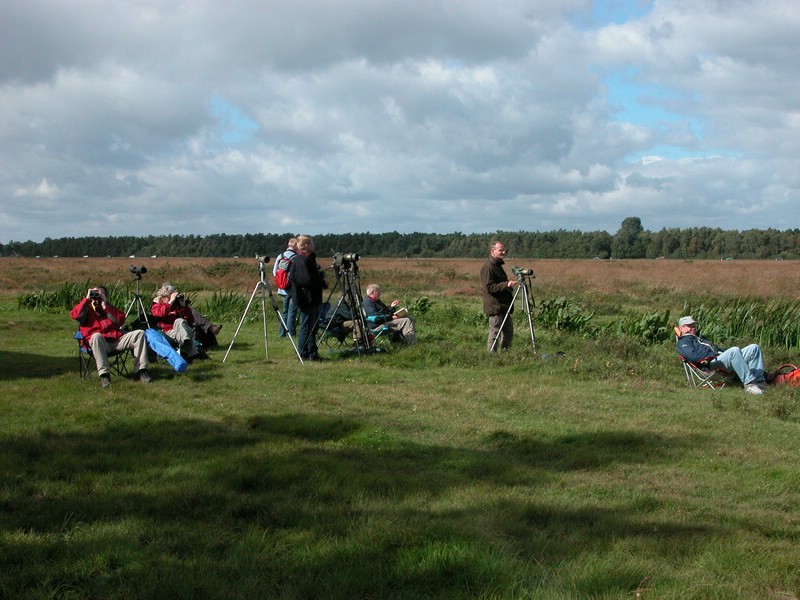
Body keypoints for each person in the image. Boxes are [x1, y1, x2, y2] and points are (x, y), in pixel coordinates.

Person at [70, 286, 151, 388]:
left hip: (116, 340)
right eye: (94, 293)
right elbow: (76, 315)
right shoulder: (86, 309)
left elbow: (120, 320)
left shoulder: (109, 307)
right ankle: (104, 376)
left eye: (100, 294)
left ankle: (141, 371)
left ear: (105, 296)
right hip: (100, 344)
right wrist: (87, 299)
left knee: (139, 333)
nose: (97, 296)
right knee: (96, 336)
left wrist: (106, 306)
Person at [675, 315, 766, 394]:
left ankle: (758, 382)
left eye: (693, 325)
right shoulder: (684, 342)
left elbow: (717, 349)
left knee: (754, 348)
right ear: (681, 328)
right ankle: (749, 385)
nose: (692, 328)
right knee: (734, 351)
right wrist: (712, 354)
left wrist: (724, 352)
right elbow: (693, 356)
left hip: (719, 358)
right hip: (710, 365)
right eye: (688, 326)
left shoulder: (701, 338)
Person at [288, 235, 326, 360]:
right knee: (307, 326)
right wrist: (319, 280)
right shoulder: (301, 260)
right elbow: (306, 280)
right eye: (312, 243)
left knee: (312, 327)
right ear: (306, 245)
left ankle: (311, 352)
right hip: (307, 299)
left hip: (311, 298)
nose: (314, 246)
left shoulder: (307, 259)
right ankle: (303, 353)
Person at [480, 241, 518, 351]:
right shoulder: (488, 267)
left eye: (503, 250)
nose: (503, 252)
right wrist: (506, 284)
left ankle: (505, 355)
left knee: (508, 332)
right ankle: (492, 358)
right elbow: (489, 287)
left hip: (503, 305)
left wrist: (507, 286)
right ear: (493, 251)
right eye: (500, 250)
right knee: (495, 333)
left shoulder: (497, 265)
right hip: (495, 306)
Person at [151, 283, 204, 361]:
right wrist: (170, 303)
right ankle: (190, 351)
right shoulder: (157, 306)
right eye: (170, 297)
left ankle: (184, 346)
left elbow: (191, 320)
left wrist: (183, 306)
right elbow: (160, 315)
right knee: (180, 322)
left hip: (181, 332)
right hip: (168, 332)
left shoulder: (177, 306)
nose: (173, 299)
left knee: (181, 322)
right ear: (163, 298)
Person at [273, 237, 298, 337]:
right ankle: (291, 334)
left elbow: (275, 272)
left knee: (284, 312)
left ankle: (281, 333)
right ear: (296, 246)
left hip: (282, 289)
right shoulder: (295, 257)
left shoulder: (280, 256)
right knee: (292, 312)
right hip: (292, 289)